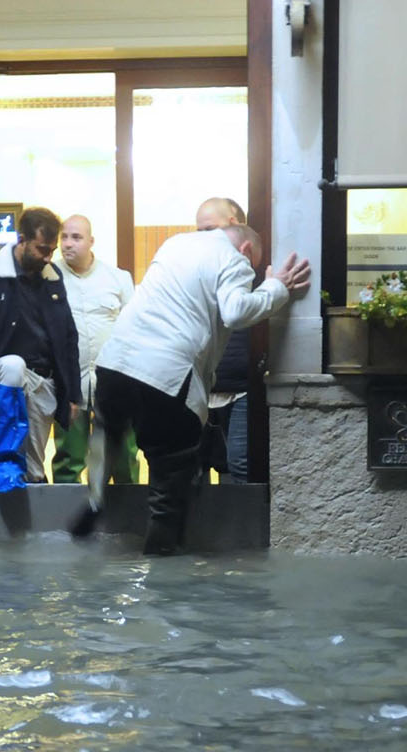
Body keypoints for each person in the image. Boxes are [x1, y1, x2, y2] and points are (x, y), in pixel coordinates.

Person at [93, 224, 310, 554]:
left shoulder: (175, 244)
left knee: (107, 436)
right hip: (165, 375)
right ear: (247, 251)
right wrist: (275, 287)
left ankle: (89, 508)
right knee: (171, 473)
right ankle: (162, 567)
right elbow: (236, 312)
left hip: (114, 364)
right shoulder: (233, 258)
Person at [0, 207, 81, 485]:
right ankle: (8, 476)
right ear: (22, 239)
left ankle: (26, 497)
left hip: (43, 378)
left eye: (51, 250)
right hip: (3, 372)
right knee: (13, 366)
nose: (48, 256)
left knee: (32, 466)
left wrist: (71, 393)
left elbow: (67, 337)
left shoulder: (52, 277)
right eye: (42, 249)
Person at [50, 214, 137, 485]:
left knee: (122, 456)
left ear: (91, 241)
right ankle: (68, 522)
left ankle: (128, 520)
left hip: (114, 383)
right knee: (68, 458)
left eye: (76, 237)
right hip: (68, 385)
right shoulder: (48, 278)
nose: (67, 244)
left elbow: (134, 328)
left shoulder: (118, 278)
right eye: (64, 237)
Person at [194, 197, 256, 483]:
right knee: (194, 467)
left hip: (243, 389)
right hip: (201, 388)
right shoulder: (196, 270)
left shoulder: (252, 262)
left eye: (210, 230)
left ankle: (244, 528)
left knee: (239, 464)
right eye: (200, 233)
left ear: (234, 225)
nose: (204, 240)